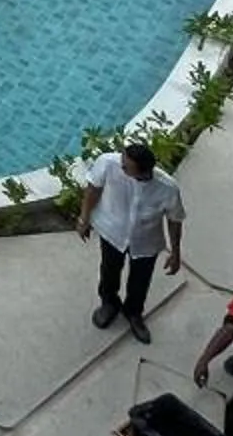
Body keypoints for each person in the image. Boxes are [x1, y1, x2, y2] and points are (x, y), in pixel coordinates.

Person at [77, 140, 184, 343]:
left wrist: (175, 252)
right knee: (109, 270)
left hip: (146, 241)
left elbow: (175, 220)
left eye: (126, 166)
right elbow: (93, 189)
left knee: (140, 280)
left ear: (142, 171)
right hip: (112, 231)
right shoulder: (109, 163)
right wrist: (84, 218)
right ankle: (109, 303)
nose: (121, 165)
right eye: (122, 160)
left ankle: (133, 313)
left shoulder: (167, 188)